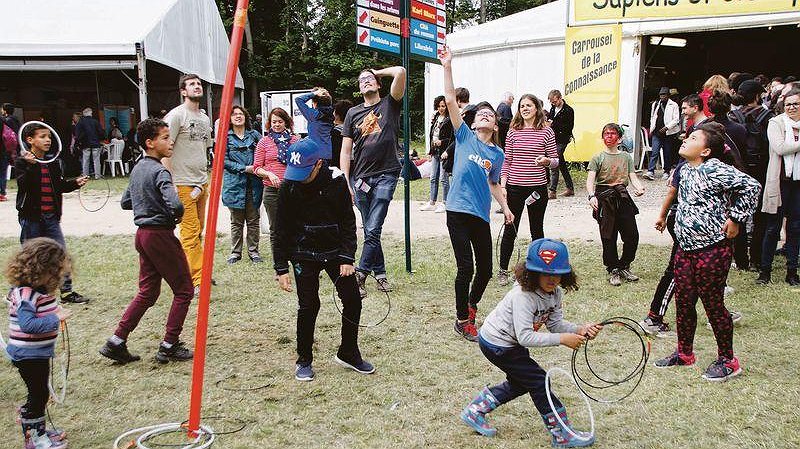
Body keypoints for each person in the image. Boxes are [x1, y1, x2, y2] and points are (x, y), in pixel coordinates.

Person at [460, 238, 601, 447]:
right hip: (497, 343)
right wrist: (563, 340)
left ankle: (475, 411)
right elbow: (525, 336)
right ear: (532, 273)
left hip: (509, 343)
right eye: (546, 273)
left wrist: (579, 329)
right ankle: (561, 434)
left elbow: (555, 324)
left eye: (557, 274)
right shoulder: (523, 296)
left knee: (521, 382)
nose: (552, 279)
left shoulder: (555, 293)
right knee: (539, 381)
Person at [654, 122, 760, 382]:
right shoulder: (685, 169)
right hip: (685, 248)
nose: (685, 139)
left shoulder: (715, 168)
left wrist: (735, 218)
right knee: (684, 301)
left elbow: (752, 186)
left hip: (712, 248)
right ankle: (684, 353)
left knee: (713, 305)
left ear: (706, 151)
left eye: (692, 138)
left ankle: (728, 360)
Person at [274, 138, 374, 381]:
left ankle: (348, 352)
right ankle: (304, 359)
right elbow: (281, 229)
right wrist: (281, 267)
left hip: (334, 251)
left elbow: (348, 222)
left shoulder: (336, 181)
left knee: (352, 300)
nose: (299, 178)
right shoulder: (289, 185)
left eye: (305, 172)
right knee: (309, 305)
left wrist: (347, 257)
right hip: (303, 252)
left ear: (319, 164)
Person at [99, 118, 195, 365]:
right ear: (150, 143)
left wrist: (147, 204)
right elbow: (175, 204)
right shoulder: (160, 170)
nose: (170, 140)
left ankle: (116, 341)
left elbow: (125, 202)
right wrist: (174, 213)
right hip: (160, 235)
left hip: (142, 235)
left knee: (148, 292)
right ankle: (169, 345)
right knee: (184, 290)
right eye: (165, 137)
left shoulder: (138, 168)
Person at [439, 46, 513, 342]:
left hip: (480, 214)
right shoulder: (464, 136)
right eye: (480, 113)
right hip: (457, 210)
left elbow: (495, 184)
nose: (484, 116)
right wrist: (447, 65)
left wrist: (505, 208)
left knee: (485, 270)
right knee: (465, 267)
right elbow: (449, 100)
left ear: (495, 125)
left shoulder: (497, 153)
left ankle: (470, 308)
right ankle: (461, 320)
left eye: (489, 115)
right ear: (472, 122)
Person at [340, 65, 406, 296]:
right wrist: (345, 180)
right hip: (360, 178)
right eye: (362, 80)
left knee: (374, 226)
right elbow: (346, 150)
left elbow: (401, 71)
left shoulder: (390, 104)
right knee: (370, 229)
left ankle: (360, 275)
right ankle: (381, 274)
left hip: (387, 174)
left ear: (378, 83)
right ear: (358, 89)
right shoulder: (352, 113)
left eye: (370, 79)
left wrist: (377, 71)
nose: (366, 81)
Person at [6, 238, 72, 449]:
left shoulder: (37, 292)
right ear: (41, 269)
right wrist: (56, 318)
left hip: (37, 354)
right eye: (55, 272)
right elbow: (28, 325)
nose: (58, 277)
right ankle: (34, 437)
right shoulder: (26, 295)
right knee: (39, 394)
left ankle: (37, 428)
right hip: (28, 356)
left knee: (39, 393)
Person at [15, 123, 89, 304]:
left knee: (61, 253)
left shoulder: (53, 162)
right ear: (30, 140)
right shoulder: (22, 162)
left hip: (51, 218)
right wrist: (30, 165)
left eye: (49, 136)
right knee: (31, 258)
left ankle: (66, 292)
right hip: (31, 219)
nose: (47, 140)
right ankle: (26, 294)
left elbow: (59, 186)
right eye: (42, 136)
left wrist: (75, 183)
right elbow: (24, 185)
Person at [497, 94, 558, 286]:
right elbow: (507, 160)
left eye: (528, 105)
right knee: (510, 229)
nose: (524, 109)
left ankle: (537, 269)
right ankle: (502, 270)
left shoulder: (547, 131)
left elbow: (556, 160)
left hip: (537, 189)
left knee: (536, 229)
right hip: (514, 187)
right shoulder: (513, 131)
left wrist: (547, 161)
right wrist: (504, 186)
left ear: (536, 108)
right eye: (522, 106)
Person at [162, 74, 214, 292]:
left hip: (201, 181)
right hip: (182, 182)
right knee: (190, 231)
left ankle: (195, 270)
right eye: (192, 84)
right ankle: (198, 279)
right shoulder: (176, 116)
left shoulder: (204, 118)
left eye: (199, 84)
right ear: (183, 91)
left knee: (199, 230)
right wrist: (167, 182)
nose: (197, 87)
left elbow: (206, 148)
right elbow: (165, 148)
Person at [587, 123, 645, 286]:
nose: (609, 137)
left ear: (619, 138)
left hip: (623, 197)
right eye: (606, 133)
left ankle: (624, 265)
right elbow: (590, 180)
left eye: (613, 134)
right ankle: (613, 269)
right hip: (604, 198)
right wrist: (591, 196)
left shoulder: (626, 157)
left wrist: (639, 187)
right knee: (608, 236)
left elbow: (632, 176)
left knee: (632, 235)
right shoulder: (597, 157)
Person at [757, 87, 800, 286]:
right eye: (788, 104)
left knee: (795, 228)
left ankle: (792, 271)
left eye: (796, 104)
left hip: (797, 185)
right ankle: (765, 272)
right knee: (772, 228)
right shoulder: (776, 123)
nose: (792, 107)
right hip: (779, 182)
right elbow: (780, 147)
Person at [730, 79, 774, 271]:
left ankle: (740, 260)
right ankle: (756, 258)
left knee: (737, 214)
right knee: (760, 218)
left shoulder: (733, 116)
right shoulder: (768, 117)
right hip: (761, 171)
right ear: (757, 96)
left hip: (739, 171)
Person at [254, 107, 298, 256]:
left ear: (286, 122)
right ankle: (280, 262)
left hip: (292, 189)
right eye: (274, 122)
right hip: (271, 190)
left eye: (280, 121)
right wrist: (268, 174)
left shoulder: (295, 140)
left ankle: (296, 259)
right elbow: (257, 168)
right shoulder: (264, 142)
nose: (277, 125)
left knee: (295, 225)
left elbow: (301, 164)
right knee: (276, 228)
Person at [222, 105, 264, 264]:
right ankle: (235, 253)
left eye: (241, 114)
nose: (238, 116)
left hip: (254, 184)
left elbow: (265, 151)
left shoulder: (255, 136)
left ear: (246, 117)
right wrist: (244, 168)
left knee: (253, 220)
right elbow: (223, 161)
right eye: (234, 114)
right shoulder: (226, 137)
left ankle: (254, 252)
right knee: (236, 221)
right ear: (230, 119)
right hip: (234, 185)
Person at [420, 95, 453, 213]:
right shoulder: (435, 118)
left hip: (444, 152)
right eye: (439, 106)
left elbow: (451, 138)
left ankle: (445, 202)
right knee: (433, 177)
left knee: (444, 179)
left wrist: (442, 143)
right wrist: (430, 150)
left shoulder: (450, 119)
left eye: (443, 106)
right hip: (435, 152)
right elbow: (431, 135)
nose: (441, 108)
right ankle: (432, 202)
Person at [644, 87, 680, 180]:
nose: (662, 96)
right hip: (657, 132)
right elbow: (653, 116)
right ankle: (650, 171)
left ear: (668, 95)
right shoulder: (655, 104)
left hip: (668, 133)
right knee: (654, 152)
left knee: (667, 153)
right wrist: (652, 128)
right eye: (661, 95)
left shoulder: (674, 105)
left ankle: (666, 171)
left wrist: (667, 127)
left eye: (664, 94)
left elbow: (676, 119)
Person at [547, 90, 575, 199]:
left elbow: (568, 127)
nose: (553, 104)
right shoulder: (553, 108)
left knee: (554, 160)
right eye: (551, 103)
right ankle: (570, 188)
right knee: (561, 163)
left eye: (554, 102)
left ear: (560, 98)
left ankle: (552, 191)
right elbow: (550, 118)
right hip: (553, 139)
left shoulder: (569, 110)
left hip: (562, 139)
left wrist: (553, 124)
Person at [295, 88, 334, 159]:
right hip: (328, 153)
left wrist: (314, 94)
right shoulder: (331, 115)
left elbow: (298, 99)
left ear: (315, 103)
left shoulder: (313, 115)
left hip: (315, 155)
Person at [74, 107, 104, 179]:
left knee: (85, 160)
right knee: (96, 160)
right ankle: (97, 175)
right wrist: (99, 139)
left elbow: (77, 134)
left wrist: (78, 142)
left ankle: (85, 176)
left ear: (84, 114)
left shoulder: (81, 122)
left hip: (85, 144)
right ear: (91, 114)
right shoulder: (96, 122)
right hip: (96, 143)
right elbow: (101, 132)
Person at [330, 100, 353, 169]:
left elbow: (335, 154)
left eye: (334, 111)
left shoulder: (336, 132)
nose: (333, 113)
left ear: (338, 115)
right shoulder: (355, 129)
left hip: (342, 166)